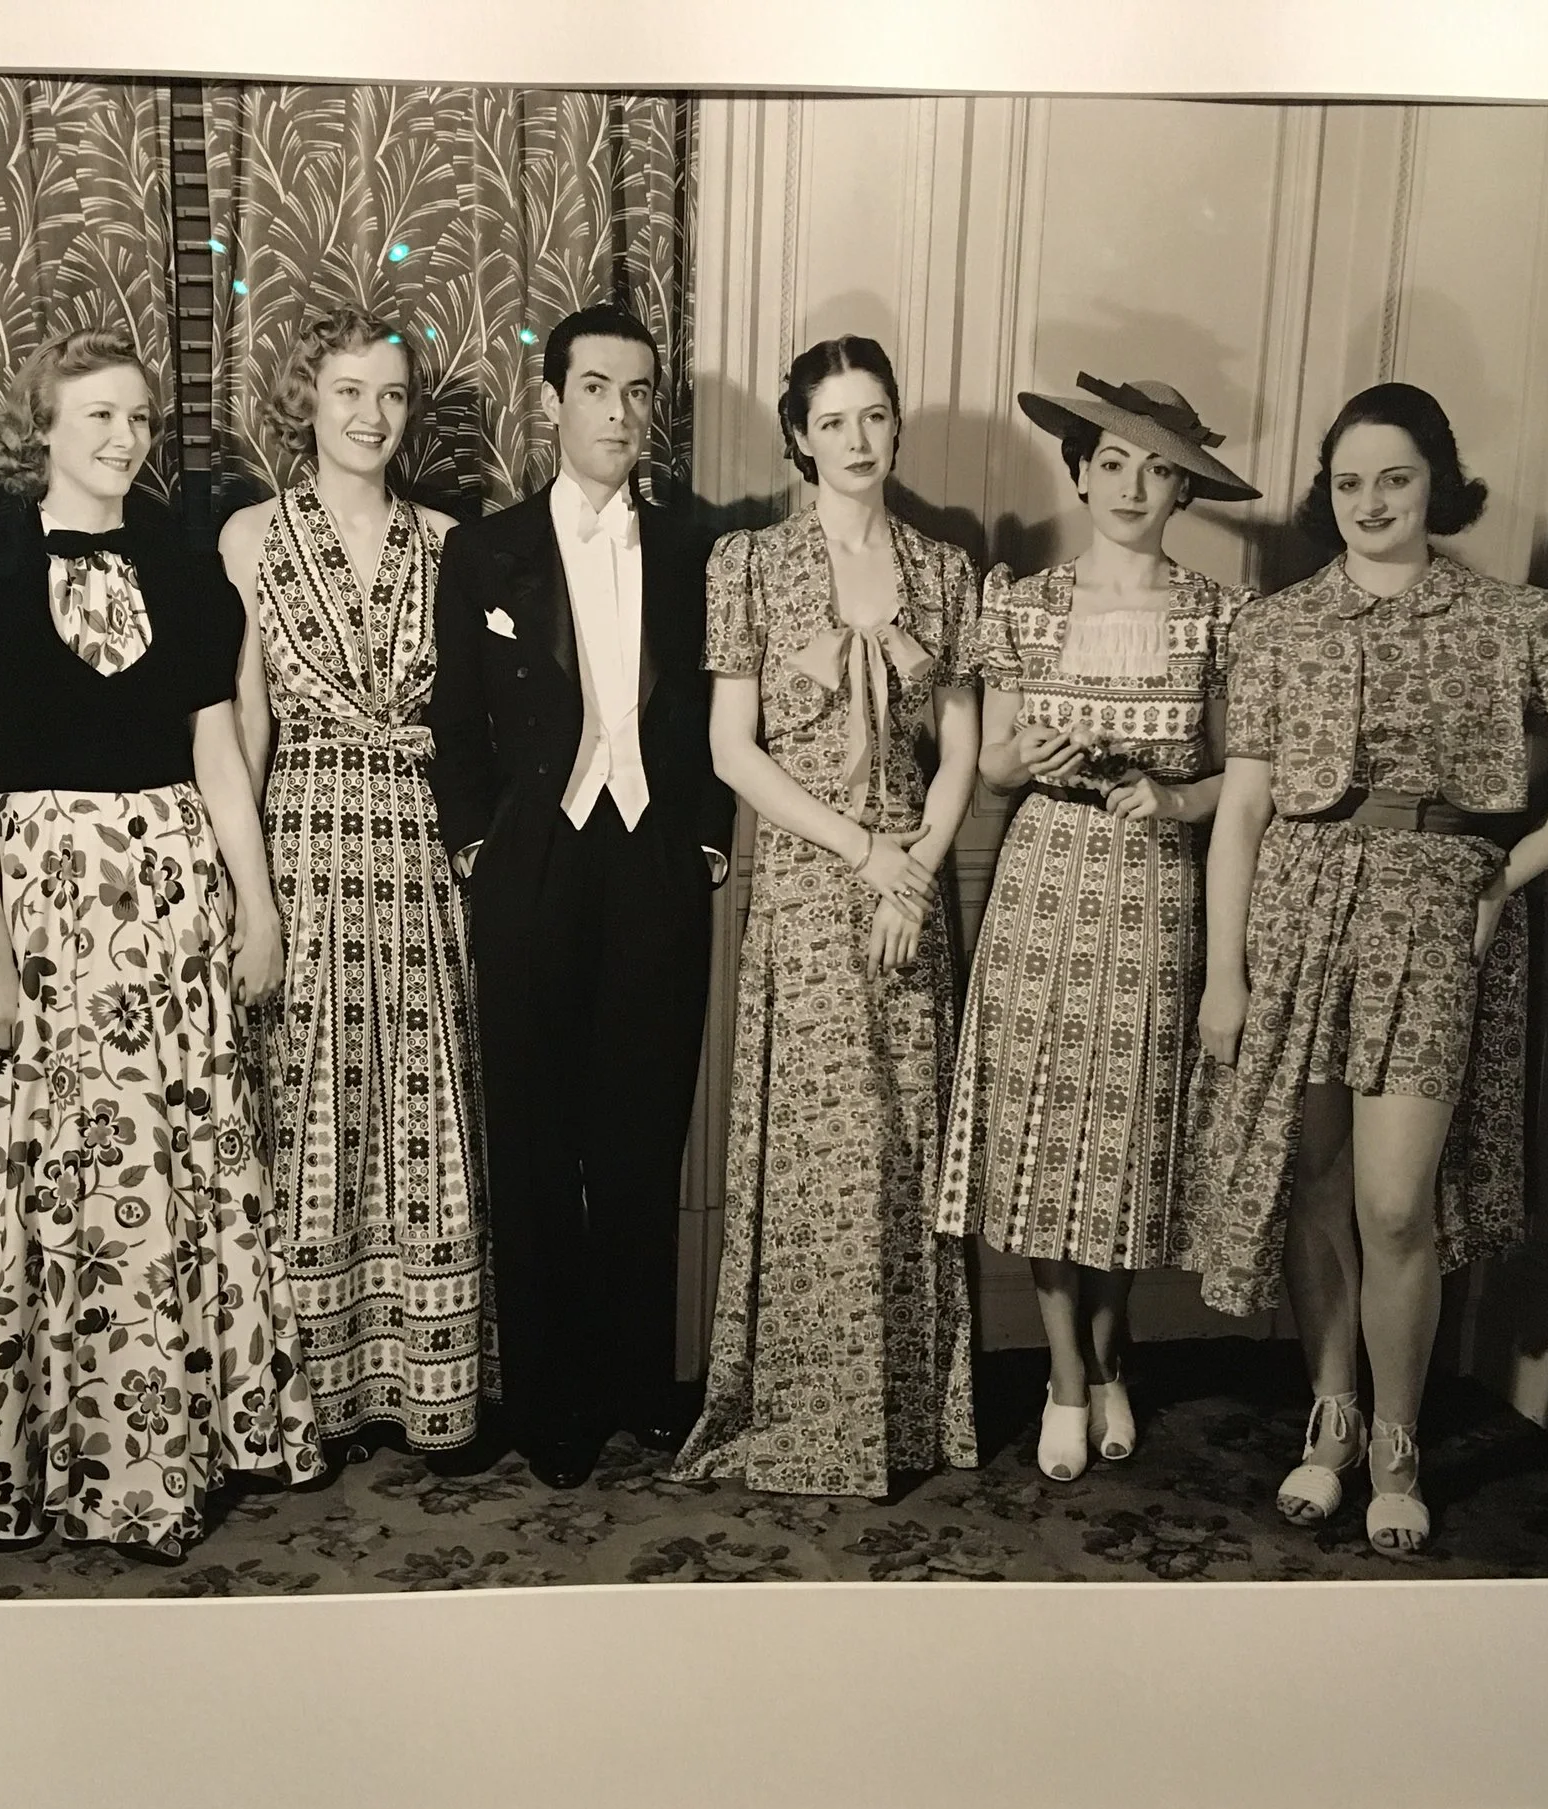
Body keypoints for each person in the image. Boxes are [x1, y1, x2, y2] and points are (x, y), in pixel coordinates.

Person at [1187, 382, 1548, 1553]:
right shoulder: (1278, 625)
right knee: (1316, 1184)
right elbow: (1240, 812)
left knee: (1396, 1204)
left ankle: (1398, 1444)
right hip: (1298, 916)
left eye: (1394, 478)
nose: (1371, 502)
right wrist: (1224, 974)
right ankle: (1331, 1420)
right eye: (1348, 482)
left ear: (1436, 483)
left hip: (1434, 922)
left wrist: (1512, 870)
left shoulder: (1511, 619)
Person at [0, 330, 321, 1564]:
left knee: (178, 1158)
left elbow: (216, 753)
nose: (123, 439)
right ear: (41, 426)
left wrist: (257, 907)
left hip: (176, 900)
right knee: (75, 1173)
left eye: (139, 418)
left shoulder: (186, 569)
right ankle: (88, 1462)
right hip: (52, 904)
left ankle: (181, 1445)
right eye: (97, 416)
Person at [425, 303, 733, 1489]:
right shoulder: (483, 551)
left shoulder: (700, 551)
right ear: (550, 402)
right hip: (532, 864)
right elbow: (457, 717)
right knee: (538, 1143)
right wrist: (475, 849)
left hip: (655, 863)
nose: (621, 411)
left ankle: (638, 1387)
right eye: (597, 388)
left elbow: (721, 709)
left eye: (639, 391)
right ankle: (553, 1407)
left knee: (642, 1136)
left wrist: (704, 844)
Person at [671, 335, 982, 1498]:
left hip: (913, 889)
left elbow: (959, 751)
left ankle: (908, 1419)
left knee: (903, 1144)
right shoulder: (749, 564)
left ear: (897, 427)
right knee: (818, 1151)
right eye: (835, 421)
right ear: (799, 438)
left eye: (876, 416)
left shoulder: (945, 570)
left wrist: (915, 870)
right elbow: (730, 751)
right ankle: (805, 1416)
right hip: (810, 888)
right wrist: (865, 855)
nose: (858, 439)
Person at [934, 375, 1259, 1482]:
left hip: (1157, 892)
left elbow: (1245, 782)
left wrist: (1173, 796)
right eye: (1110, 462)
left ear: (1184, 490)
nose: (1130, 486)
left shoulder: (1220, 616)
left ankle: (1113, 1355)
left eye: (1157, 469)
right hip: (1044, 883)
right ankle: (1066, 1374)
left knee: (1125, 1137)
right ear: (1078, 473)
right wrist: (1017, 758)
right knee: (1040, 1136)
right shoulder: (1022, 606)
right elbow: (989, 767)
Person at [218, 309, 490, 1470]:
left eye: (389, 394)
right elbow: (243, 723)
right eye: (346, 392)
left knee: (425, 1100)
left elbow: (476, 722)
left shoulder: (452, 542)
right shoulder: (250, 536)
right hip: (305, 842)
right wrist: (247, 894)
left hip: (421, 850)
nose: (370, 416)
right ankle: (315, 1398)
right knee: (312, 1097)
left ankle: (430, 1387)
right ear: (308, 401)